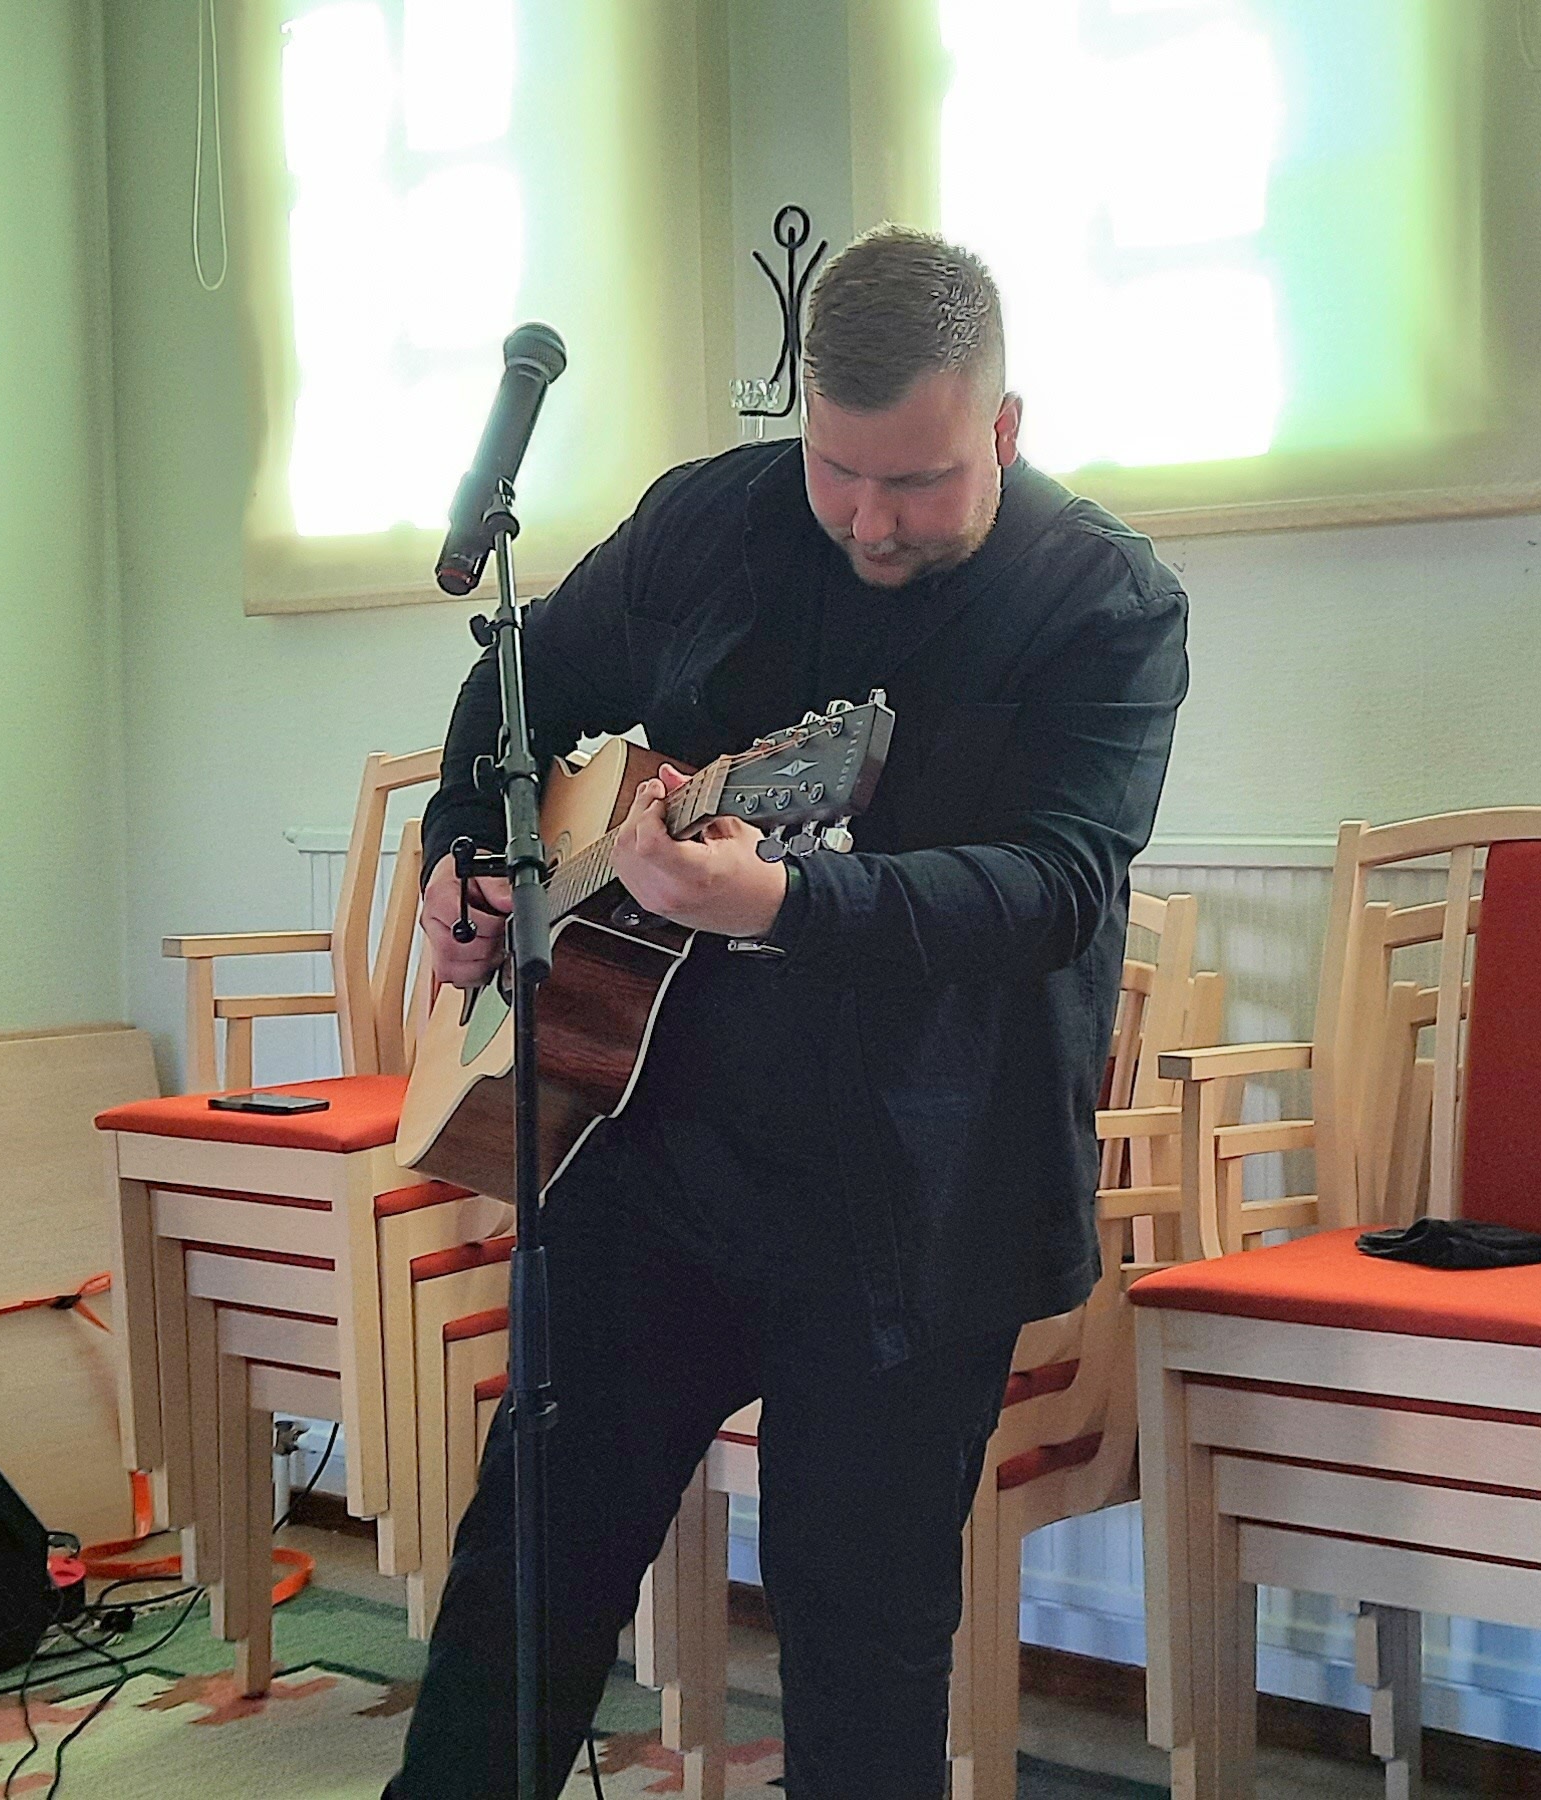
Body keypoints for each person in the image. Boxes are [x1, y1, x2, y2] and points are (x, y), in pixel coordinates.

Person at [387, 225, 1190, 1798]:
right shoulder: (712, 521)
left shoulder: (1102, 602)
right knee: (522, 1584)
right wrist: (465, 853)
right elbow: (521, 685)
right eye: (840, 472)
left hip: (916, 1203)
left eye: (921, 483)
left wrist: (787, 904)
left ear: (1005, 427)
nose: (871, 521)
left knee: (861, 1644)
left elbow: (1054, 889)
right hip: (648, 1147)